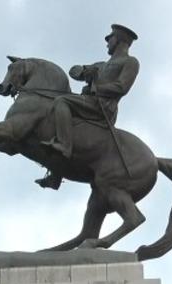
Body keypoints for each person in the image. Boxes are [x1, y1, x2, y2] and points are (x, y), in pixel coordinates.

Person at [38, 23, 140, 188]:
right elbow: (74, 72)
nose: (107, 42)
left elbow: (122, 87)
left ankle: (64, 146)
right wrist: (82, 71)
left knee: (62, 101)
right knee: (59, 117)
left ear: (119, 40)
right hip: (89, 102)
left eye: (110, 38)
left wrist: (95, 87)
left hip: (104, 107)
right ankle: (55, 174)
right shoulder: (101, 65)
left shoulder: (130, 62)